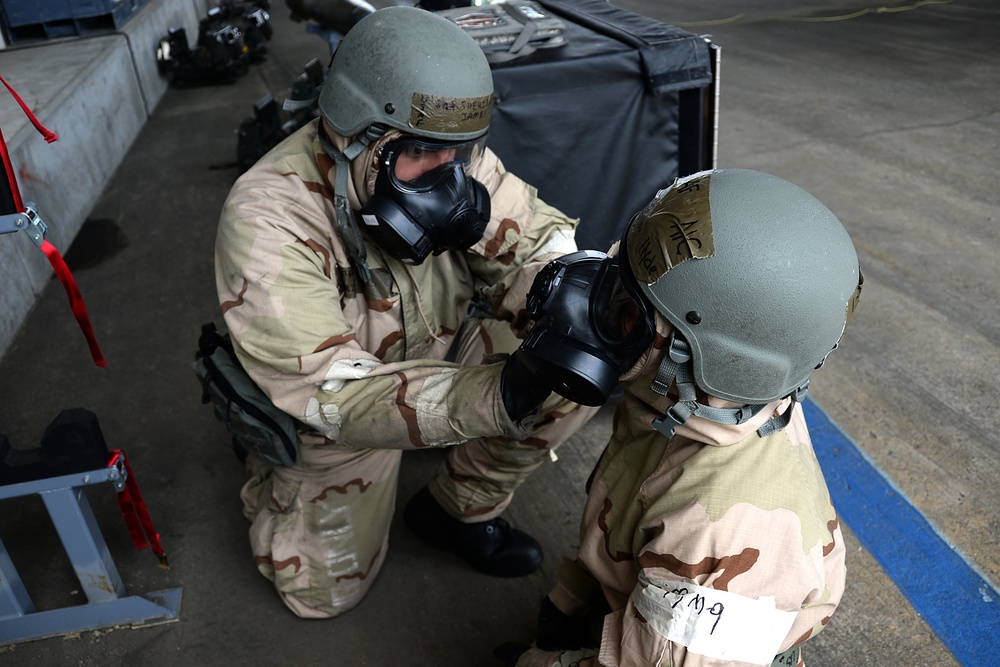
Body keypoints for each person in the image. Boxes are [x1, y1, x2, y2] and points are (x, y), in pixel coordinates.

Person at [214, 6, 597, 619]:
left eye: (461, 153)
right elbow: (334, 391)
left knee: (577, 350)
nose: (450, 180)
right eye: (420, 153)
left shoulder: (450, 159)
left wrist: (576, 291)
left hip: (435, 351)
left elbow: (535, 241)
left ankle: (458, 506)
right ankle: (273, 472)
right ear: (352, 134)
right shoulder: (267, 219)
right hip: (339, 411)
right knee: (320, 598)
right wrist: (496, 397)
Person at [500, 168, 863, 666]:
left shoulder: (718, 546)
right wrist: (570, 603)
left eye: (625, 308)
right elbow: (625, 506)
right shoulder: (694, 403)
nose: (598, 310)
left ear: (702, 358)